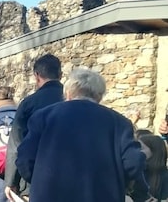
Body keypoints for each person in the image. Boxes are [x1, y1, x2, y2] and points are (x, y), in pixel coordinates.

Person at [16, 69, 151, 202]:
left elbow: (24, 160)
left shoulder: (42, 117)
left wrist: (43, 181)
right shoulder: (119, 122)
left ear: (68, 93)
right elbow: (133, 164)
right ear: (99, 96)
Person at [4, 53, 64, 200]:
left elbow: (16, 144)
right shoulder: (73, 101)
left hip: (36, 179)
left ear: (36, 76)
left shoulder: (29, 104)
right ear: (60, 74)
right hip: (71, 178)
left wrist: (11, 181)